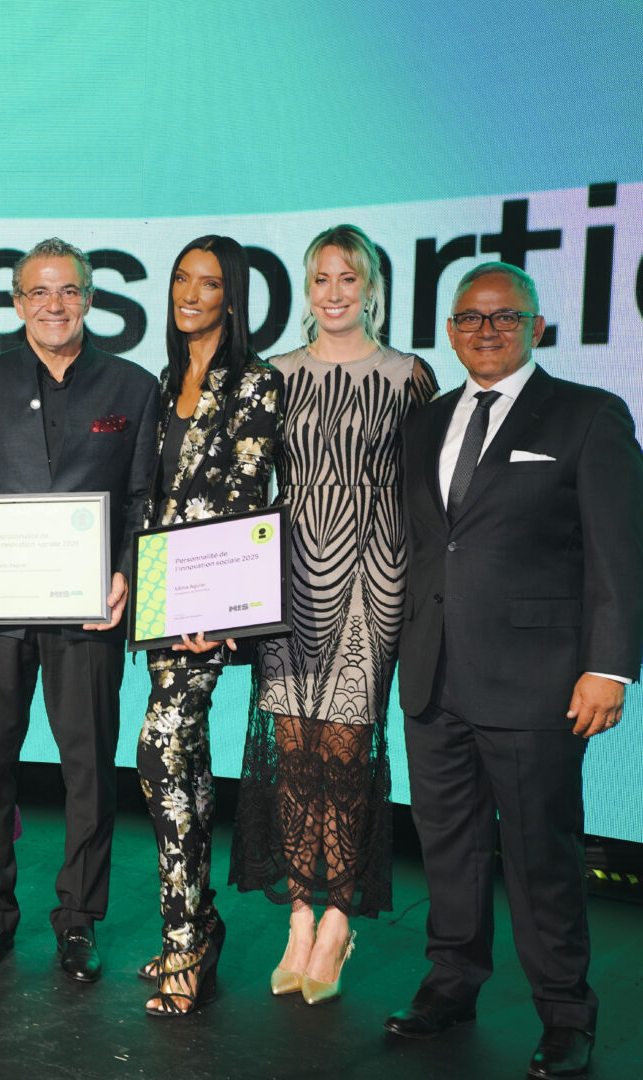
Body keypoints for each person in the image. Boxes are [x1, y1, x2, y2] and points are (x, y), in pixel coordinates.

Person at [384, 262, 643, 1080]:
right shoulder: (425, 422)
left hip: (538, 684)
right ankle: (451, 984)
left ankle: (565, 1013)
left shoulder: (588, 414)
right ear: (450, 331)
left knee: (541, 858)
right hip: (433, 677)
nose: (486, 330)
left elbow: (620, 554)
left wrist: (610, 668)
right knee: (448, 849)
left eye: (505, 317)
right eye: (470, 318)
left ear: (538, 327)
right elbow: (426, 549)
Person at [0, 238, 158, 981]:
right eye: (38, 292)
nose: (53, 305)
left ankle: (79, 921)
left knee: (89, 770)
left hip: (87, 611)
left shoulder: (132, 386)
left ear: (90, 299)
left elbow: (141, 498)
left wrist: (126, 572)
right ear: (16, 302)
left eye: (68, 291)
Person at [229, 225, 437, 1003]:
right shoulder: (274, 375)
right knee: (294, 755)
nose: (335, 292)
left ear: (373, 287)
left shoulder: (409, 375)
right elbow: (248, 487)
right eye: (322, 278)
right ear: (307, 288)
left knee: (345, 752)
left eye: (350, 277)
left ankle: (338, 919)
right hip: (287, 581)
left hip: (373, 578)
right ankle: (298, 917)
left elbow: (428, 493)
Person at [133, 237, 282, 1013]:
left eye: (210, 283)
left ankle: (188, 937)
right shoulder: (165, 380)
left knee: (158, 751)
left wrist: (218, 609)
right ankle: (194, 929)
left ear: (234, 296)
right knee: (183, 762)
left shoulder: (256, 381)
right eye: (182, 279)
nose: (191, 294)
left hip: (209, 604)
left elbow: (246, 492)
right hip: (161, 599)